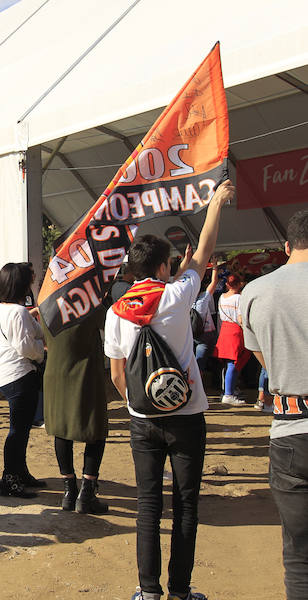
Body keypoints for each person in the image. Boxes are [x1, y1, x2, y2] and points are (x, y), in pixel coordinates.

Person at [104, 180, 232, 600]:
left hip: (142, 421)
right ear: (162, 268)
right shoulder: (176, 296)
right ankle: (180, 591)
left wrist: (138, 404)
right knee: (186, 505)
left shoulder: (116, 313)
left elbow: (118, 373)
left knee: (147, 506)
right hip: (187, 415)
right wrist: (214, 204)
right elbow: (204, 252)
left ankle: (148, 592)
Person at [240, 209, 308, 600]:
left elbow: (263, 358)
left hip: (290, 431)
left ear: (286, 246)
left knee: (299, 554)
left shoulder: (257, 291)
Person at [43, 300, 110, 514]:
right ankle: (87, 492)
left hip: (56, 370)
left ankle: (69, 491)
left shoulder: (48, 303)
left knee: (61, 431)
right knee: (96, 430)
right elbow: (106, 322)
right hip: (86, 372)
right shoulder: (89, 301)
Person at [0, 262, 44, 498]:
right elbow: (26, 347)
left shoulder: (2, 307)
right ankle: (10, 479)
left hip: (6, 371)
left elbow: (32, 331)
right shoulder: (18, 311)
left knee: (20, 430)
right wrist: (42, 351)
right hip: (19, 374)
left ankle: (20, 472)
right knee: (18, 431)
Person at [214, 274, 250, 405]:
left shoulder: (222, 297)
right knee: (233, 363)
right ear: (240, 283)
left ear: (227, 285)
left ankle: (228, 390)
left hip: (225, 329)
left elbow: (219, 317)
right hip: (235, 331)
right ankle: (228, 393)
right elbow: (240, 318)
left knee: (228, 363)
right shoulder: (239, 298)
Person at [193, 264, 220, 386]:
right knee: (207, 361)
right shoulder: (203, 300)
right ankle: (203, 386)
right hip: (206, 335)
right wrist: (215, 267)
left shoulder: (185, 300)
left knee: (195, 363)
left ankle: (194, 386)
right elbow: (214, 282)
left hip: (191, 335)